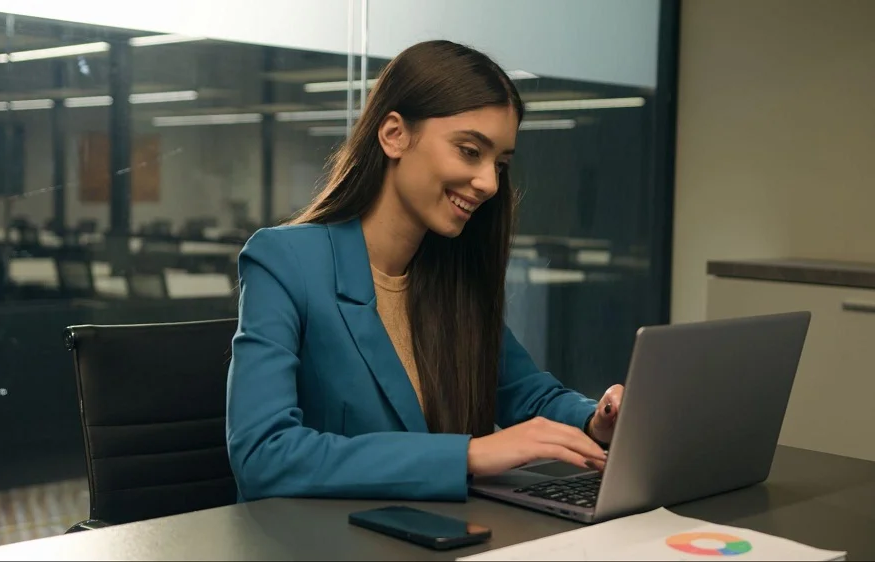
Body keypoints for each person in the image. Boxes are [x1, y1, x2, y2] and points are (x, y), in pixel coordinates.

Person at [226, 39, 624, 503]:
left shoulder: (451, 274)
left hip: (440, 535)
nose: (490, 183)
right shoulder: (285, 261)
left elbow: (529, 396)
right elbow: (262, 454)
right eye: (470, 151)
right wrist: (468, 455)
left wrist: (597, 418)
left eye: (499, 163)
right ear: (394, 134)